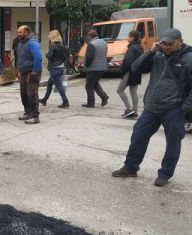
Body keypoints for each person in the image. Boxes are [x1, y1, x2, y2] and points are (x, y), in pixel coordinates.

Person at [112, 28, 192, 187]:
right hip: (152, 107)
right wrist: (150, 51)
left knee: (173, 143)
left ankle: (165, 174)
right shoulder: (158, 55)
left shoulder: (189, 59)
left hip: (174, 109)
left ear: (180, 42)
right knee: (138, 135)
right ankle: (130, 167)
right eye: (164, 43)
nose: (167, 46)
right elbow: (135, 68)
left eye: (170, 44)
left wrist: (184, 109)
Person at [16, 25, 43, 124]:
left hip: (32, 72)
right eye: (18, 32)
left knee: (32, 94)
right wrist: (19, 70)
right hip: (23, 72)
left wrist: (34, 71)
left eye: (20, 32)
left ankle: (35, 116)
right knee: (24, 94)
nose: (18, 34)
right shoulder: (21, 43)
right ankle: (27, 113)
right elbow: (20, 58)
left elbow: (38, 57)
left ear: (26, 32)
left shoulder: (32, 42)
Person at [39, 30, 69, 108]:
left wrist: (46, 54)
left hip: (54, 68)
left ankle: (65, 101)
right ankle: (44, 100)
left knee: (59, 86)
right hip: (61, 67)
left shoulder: (52, 45)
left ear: (53, 36)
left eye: (49, 35)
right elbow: (66, 56)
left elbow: (50, 56)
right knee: (49, 84)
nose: (48, 36)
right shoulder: (63, 46)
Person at [116, 31, 143, 118]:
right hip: (138, 72)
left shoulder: (131, 48)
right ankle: (135, 111)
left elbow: (127, 61)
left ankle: (129, 109)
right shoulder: (140, 47)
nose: (127, 37)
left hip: (130, 72)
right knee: (133, 92)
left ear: (132, 37)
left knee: (119, 90)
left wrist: (122, 71)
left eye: (128, 36)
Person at [82, 29, 109, 108]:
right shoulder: (104, 43)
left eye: (88, 36)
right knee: (94, 83)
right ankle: (103, 96)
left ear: (90, 36)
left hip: (93, 68)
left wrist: (86, 65)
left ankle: (91, 103)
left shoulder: (92, 44)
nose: (87, 37)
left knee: (89, 85)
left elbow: (90, 57)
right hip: (102, 67)